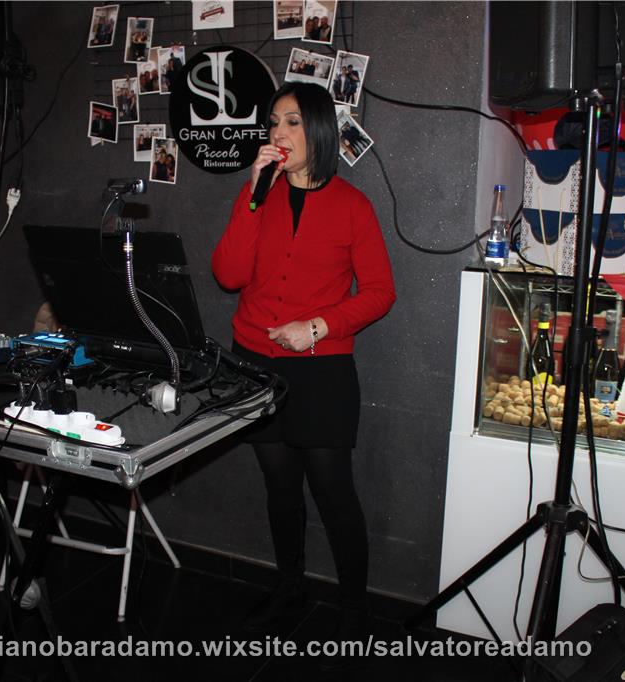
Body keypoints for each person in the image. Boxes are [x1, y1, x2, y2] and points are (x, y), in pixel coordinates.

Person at [212, 82, 396, 646]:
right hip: (255, 365)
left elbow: (380, 293)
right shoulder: (258, 196)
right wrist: (252, 195)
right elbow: (228, 275)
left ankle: (354, 611)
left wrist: (317, 326)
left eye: (291, 122)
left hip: (321, 369)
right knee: (280, 488)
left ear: (316, 130)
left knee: (333, 494)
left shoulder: (353, 206)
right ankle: (289, 588)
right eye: (273, 122)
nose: (278, 133)